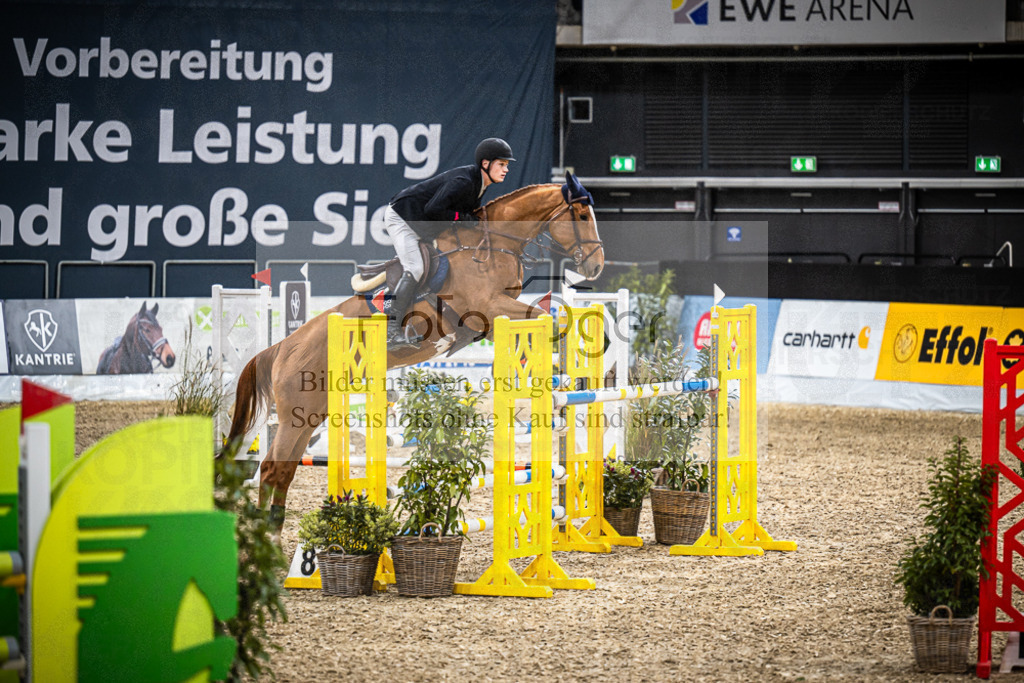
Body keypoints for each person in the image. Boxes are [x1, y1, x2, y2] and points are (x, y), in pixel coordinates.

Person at [383, 137, 515, 348]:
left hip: (424, 224)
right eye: (501, 164)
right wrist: (461, 218)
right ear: (485, 164)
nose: (506, 169)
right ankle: (390, 332)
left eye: (507, 165)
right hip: (403, 218)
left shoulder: (480, 184)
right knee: (415, 268)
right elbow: (433, 209)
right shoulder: (464, 182)